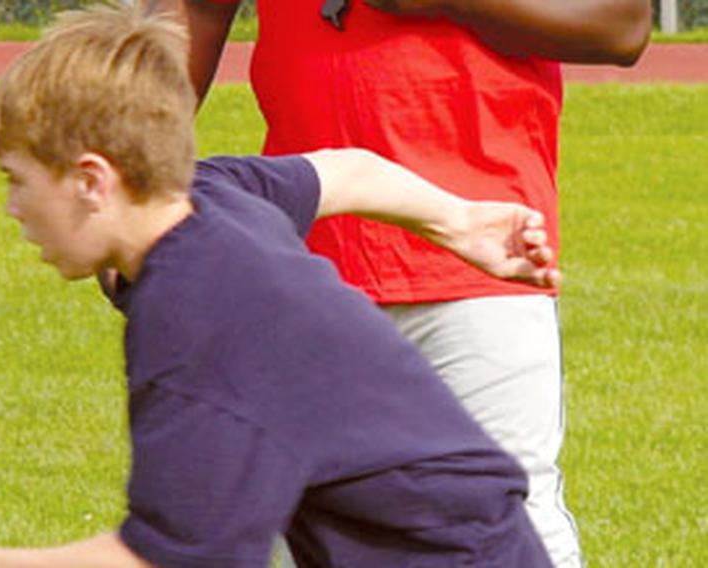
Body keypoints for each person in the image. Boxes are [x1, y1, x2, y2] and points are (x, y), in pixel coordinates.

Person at [0, 5, 563, 567]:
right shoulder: (211, 195)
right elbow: (346, 171)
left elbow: (164, 559)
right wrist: (460, 221)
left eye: (19, 182)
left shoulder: (202, 315)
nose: (12, 209)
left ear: (92, 180)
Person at [175, 1, 652, 566]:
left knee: (507, 528)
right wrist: (130, 177)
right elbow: (196, 12)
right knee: (326, 540)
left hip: (485, 254)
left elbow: (620, 25)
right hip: (309, 264)